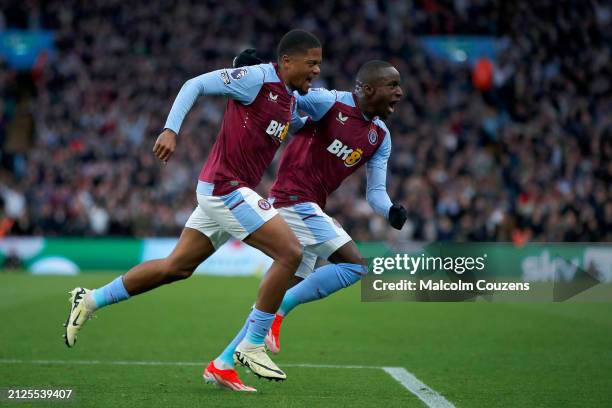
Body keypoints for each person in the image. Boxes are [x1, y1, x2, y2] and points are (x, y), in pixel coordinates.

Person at [63, 30, 323, 389]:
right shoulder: (256, 78)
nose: (317, 70)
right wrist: (171, 130)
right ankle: (250, 345)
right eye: (312, 63)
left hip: (226, 192)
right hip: (225, 188)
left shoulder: (290, 102)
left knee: (176, 267)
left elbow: (299, 125)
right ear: (287, 61)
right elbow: (194, 84)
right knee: (290, 251)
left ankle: (90, 300)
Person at [207, 54, 407, 392]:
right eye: (393, 85)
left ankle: (223, 363)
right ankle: (280, 312)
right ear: (368, 89)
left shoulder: (380, 136)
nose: (399, 93)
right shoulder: (329, 102)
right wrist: (272, 90)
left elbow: (375, 192)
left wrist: (389, 210)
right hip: (292, 200)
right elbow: (286, 96)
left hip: (309, 204)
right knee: (355, 266)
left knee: (269, 304)